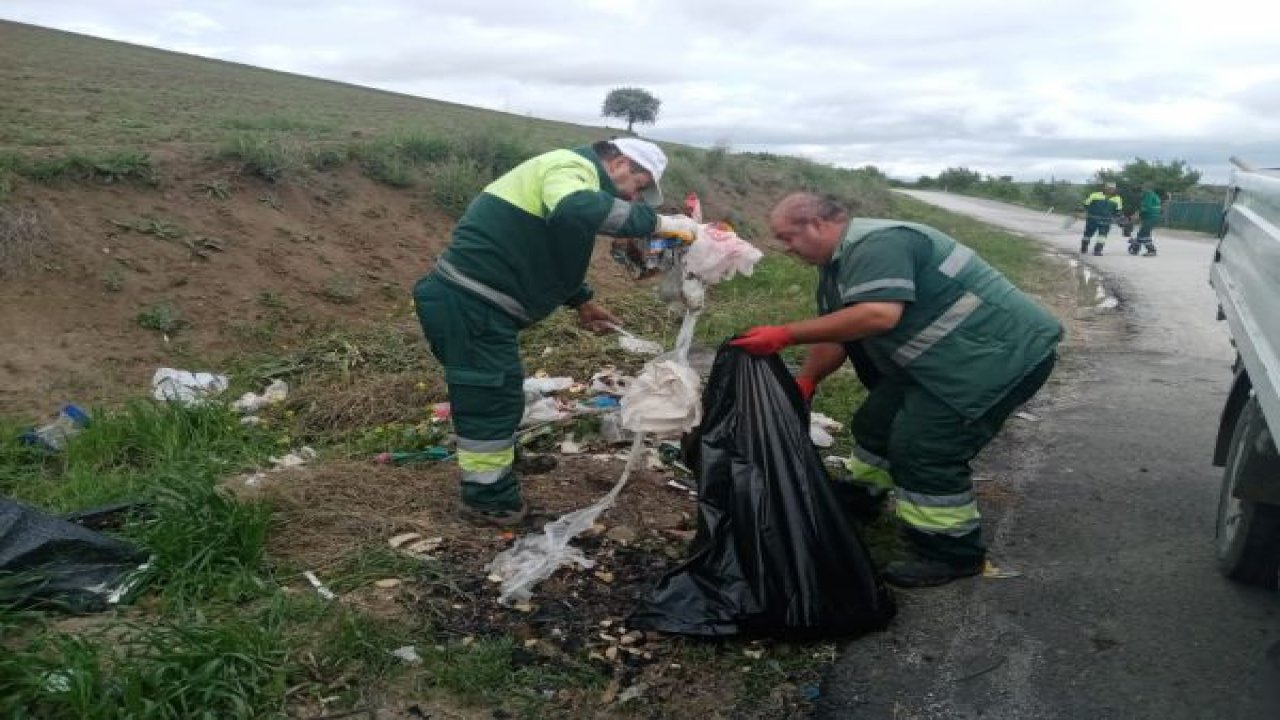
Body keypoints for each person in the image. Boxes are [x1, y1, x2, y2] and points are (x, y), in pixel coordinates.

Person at [730, 193, 1062, 587]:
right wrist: (806, 381)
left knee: (923, 448)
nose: (786, 249)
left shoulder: (880, 245)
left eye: (788, 238)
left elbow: (878, 315)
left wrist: (784, 335)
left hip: (997, 360)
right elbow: (842, 332)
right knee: (875, 423)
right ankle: (863, 496)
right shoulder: (838, 267)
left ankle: (951, 551)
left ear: (816, 225)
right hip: (945, 362)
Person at [413, 138, 700, 526]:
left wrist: (582, 302)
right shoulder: (569, 170)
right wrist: (665, 224)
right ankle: (487, 499)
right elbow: (575, 210)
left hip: (477, 305)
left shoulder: (576, 182)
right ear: (618, 162)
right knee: (489, 398)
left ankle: (501, 466)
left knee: (502, 389)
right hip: (467, 304)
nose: (635, 195)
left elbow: (553, 249)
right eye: (639, 183)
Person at [1079, 181, 1124, 255]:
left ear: (1114, 189)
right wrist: (1080, 211)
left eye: (1112, 189)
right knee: (1087, 234)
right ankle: (1084, 247)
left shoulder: (1117, 198)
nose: (1110, 190)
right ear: (1105, 188)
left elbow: (1118, 210)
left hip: (1106, 220)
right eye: (1109, 188)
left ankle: (1098, 250)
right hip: (1092, 219)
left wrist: (1120, 218)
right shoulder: (1095, 195)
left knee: (1102, 236)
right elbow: (1086, 204)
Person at [1129, 184, 1162, 257]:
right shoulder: (1151, 195)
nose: (1137, 195)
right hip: (1151, 217)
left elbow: (1146, 207)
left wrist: (1136, 215)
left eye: (1137, 193)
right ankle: (1135, 249)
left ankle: (1151, 250)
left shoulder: (1148, 194)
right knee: (1141, 233)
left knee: (1144, 234)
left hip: (1151, 217)